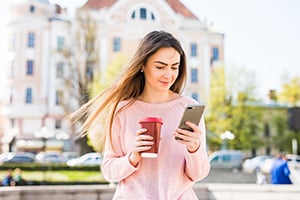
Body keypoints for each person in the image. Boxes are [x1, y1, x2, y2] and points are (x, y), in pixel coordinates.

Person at [72, 30, 210, 199]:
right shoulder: (122, 111)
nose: (168, 74)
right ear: (142, 66)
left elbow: (198, 174)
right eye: (160, 67)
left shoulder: (188, 108)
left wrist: (194, 148)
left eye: (174, 67)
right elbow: (109, 171)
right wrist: (133, 156)